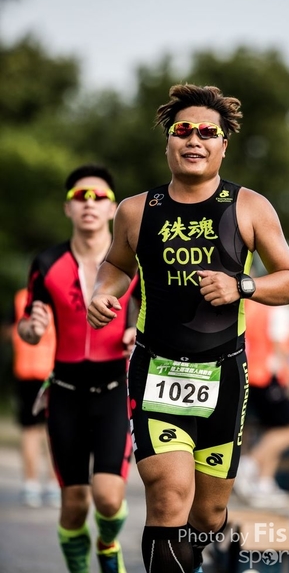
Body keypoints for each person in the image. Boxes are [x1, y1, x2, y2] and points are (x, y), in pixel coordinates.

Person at [87, 83, 289, 573]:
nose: (194, 140)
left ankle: (201, 556)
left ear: (224, 145)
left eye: (208, 132)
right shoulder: (136, 210)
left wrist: (241, 285)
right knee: (168, 495)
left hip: (225, 375)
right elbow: (116, 265)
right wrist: (103, 293)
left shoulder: (250, 206)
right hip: (157, 370)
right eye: (183, 130)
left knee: (206, 514)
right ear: (168, 140)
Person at [18, 164, 138, 573]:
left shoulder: (133, 262)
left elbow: (151, 316)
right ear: (67, 208)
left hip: (114, 390)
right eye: (79, 197)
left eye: (99, 197)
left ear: (112, 209)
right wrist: (32, 329)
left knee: (108, 498)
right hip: (65, 393)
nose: (89, 203)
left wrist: (137, 333)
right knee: (73, 504)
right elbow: (27, 326)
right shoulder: (47, 262)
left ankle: (107, 545)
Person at [234, 299, 289, 508]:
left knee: (270, 430)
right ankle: (249, 465)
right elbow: (279, 343)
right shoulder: (281, 306)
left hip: (250, 371)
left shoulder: (253, 304)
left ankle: (264, 483)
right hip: (269, 375)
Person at [8, 287, 59, 508]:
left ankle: (31, 485)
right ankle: (54, 485)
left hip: (26, 371)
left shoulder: (20, 298)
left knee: (30, 431)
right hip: (52, 371)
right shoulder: (60, 294)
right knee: (52, 430)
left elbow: (10, 329)